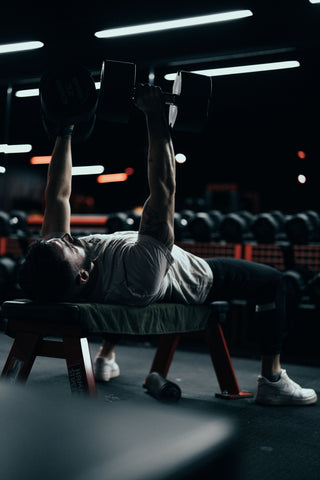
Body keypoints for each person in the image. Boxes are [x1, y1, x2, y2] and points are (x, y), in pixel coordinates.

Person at [19, 83, 317, 406]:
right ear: (82, 277)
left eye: (61, 238)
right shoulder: (137, 276)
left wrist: (65, 131)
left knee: (114, 284)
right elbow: (164, 190)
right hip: (195, 278)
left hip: (135, 273)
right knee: (273, 282)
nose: (68, 236)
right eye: (70, 244)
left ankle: (105, 355)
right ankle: (272, 379)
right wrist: (155, 118)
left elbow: (57, 194)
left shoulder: (61, 262)